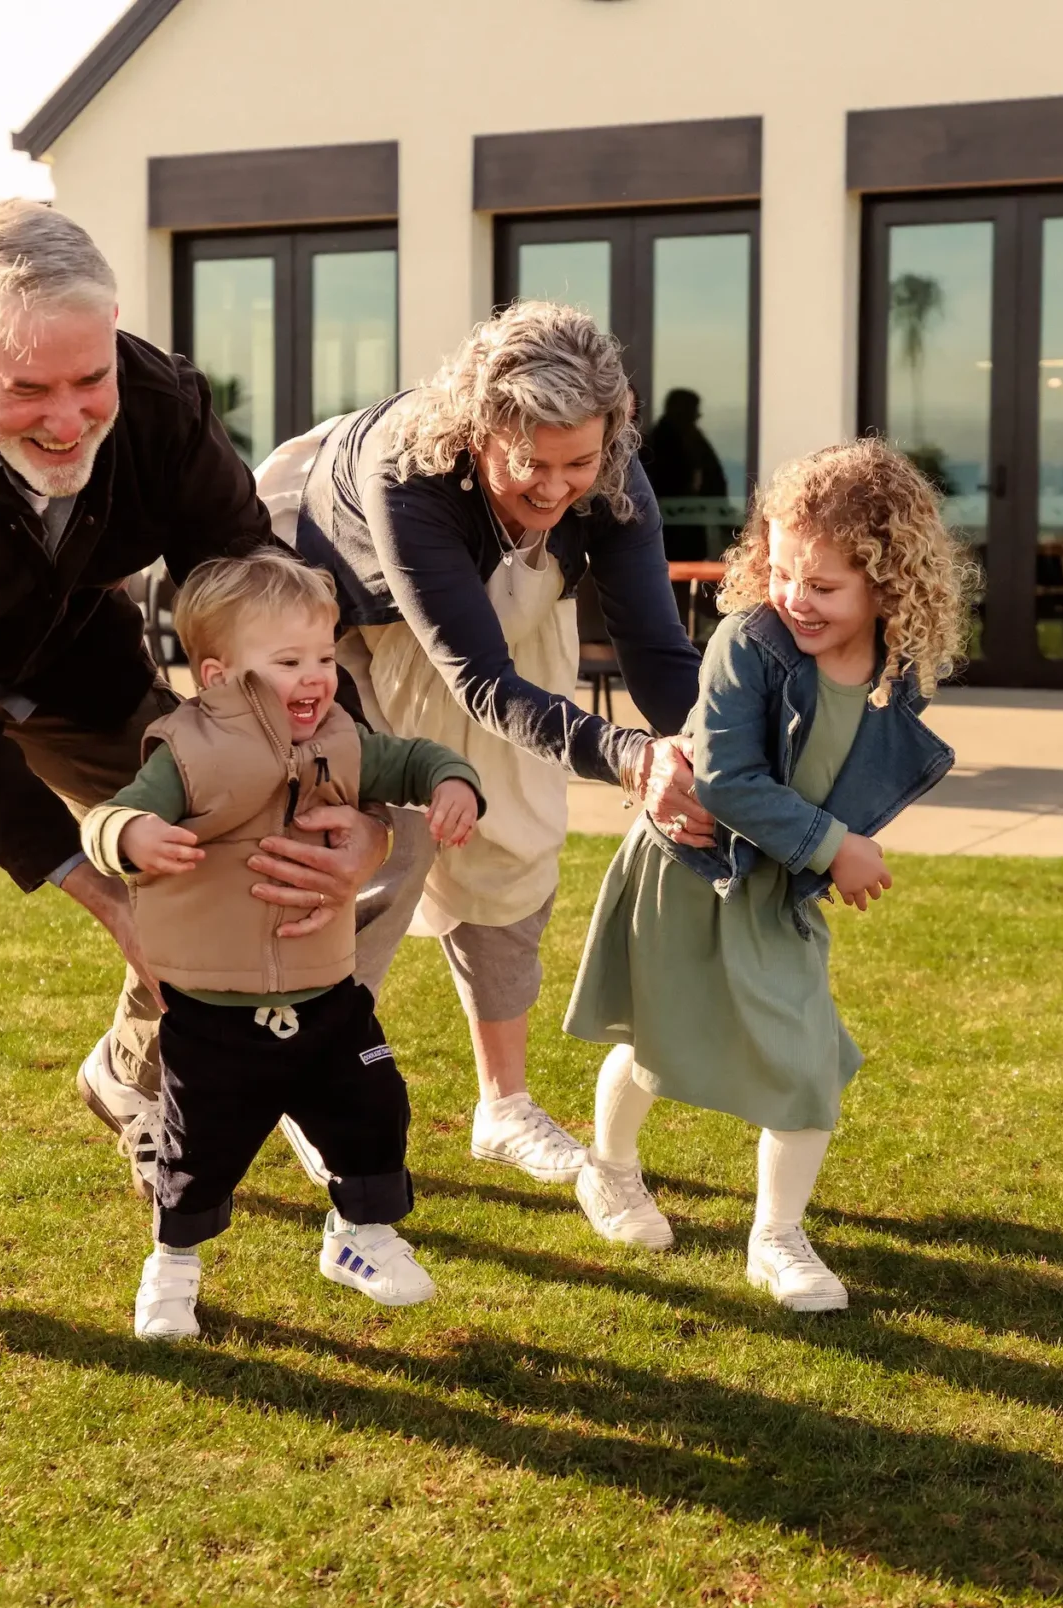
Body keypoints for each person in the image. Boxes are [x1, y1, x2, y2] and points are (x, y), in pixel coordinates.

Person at [0, 201, 407, 1325]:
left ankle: (131, 1070)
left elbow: (252, 589)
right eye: (27, 391)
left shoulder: (158, 405)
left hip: (62, 645)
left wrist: (318, 780)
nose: (66, 419)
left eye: (85, 380)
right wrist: (100, 886)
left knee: (220, 834)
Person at [282, 302, 711, 1189]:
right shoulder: (413, 471)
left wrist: (713, 752)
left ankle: (503, 1106)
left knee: (513, 830)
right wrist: (629, 757)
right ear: (480, 434)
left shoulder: (617, 476)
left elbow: (657, 652)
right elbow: (477, 679)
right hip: (335, 600)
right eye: (530, 467)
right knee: (388, 839)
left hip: (502, 593)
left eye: (578, 464)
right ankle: (306, 1078)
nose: (557, 489)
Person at [562, 439, 974, 1310]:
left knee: (804, 1059)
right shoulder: (750, 645)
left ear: (887, 585)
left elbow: (850, 765)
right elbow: (727, 782)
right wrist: (836, 846)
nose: (795, 598)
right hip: (688, 871)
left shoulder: (894, 671)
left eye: (823, 586)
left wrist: (829, 847)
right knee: (653, 1042)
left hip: (772, 887)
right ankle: (609, 1169)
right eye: (782, 572)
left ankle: (776, 1238)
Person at [77, 553, 484, 1341]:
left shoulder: (342, 739)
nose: (316, 677)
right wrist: (133, 835)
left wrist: (454, 782)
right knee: (198, 1153)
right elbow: (106, 820)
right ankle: (173, 1269)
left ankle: (361, 1239)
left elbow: (418, 759)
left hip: (327, 992)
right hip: (214, 1008)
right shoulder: (189, 754)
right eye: (290, 661)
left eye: (326, 657)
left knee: (373, 1112)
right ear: (219, 674)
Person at [640, 387, 731, 563]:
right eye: (692, 409)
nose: (697, 415)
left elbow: (713, 479)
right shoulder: (661, 441)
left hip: (687, 526)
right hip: (669, 529)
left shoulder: (692, 438)